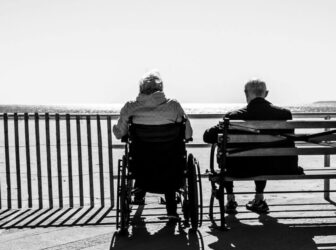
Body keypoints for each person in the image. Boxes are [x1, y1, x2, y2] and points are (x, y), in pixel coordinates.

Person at [203, 79, 301, 214]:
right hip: (277, 167)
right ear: (266, 93)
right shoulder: (284, 114)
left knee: (224, 149)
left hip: (238, 169)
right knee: (264, 155)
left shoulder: (233, 116)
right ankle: (259, 198)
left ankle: (230, 199)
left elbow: (207, 136)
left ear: (245, 93)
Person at [113, 69, 193, 220]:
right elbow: (188, 134)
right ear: (161, 88)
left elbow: (120, 134)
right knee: (168, 156)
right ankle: (171, 210)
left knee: (145, 156)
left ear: (141, 89)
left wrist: (117, 130)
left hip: (141, 166)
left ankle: (138, 193)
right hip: (171, 166)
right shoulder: (174, 106)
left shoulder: (131, 107)